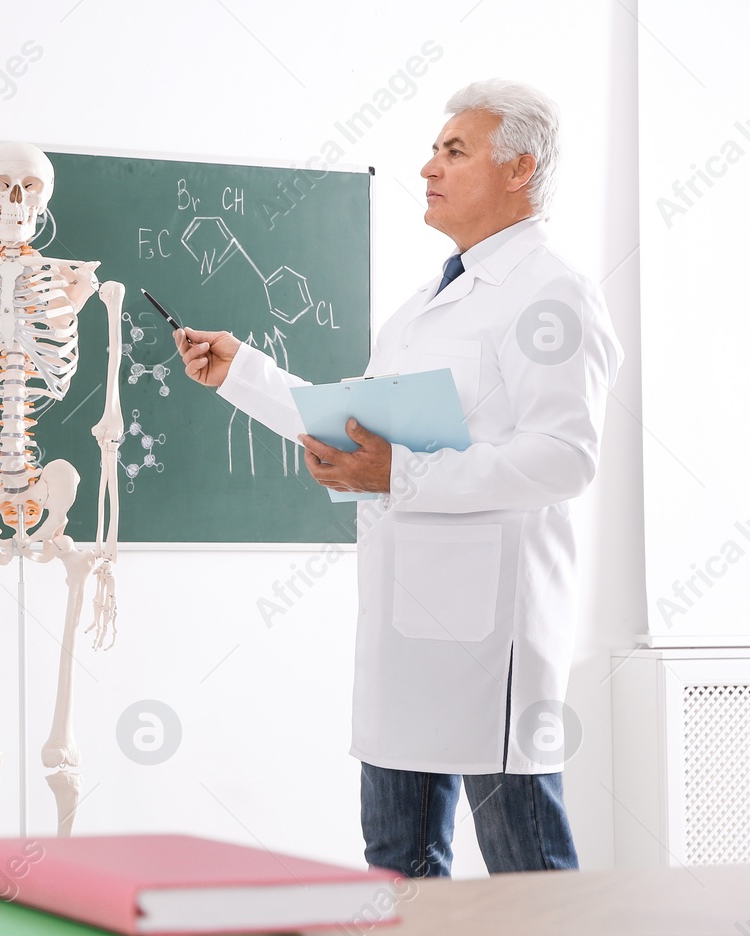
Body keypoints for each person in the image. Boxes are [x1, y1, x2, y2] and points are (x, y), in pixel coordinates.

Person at [178, 80, 623, 879]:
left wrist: (404, 472)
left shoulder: (553, 292)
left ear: (520, 169)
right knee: (397, 869)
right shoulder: (421, 307)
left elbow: (565, 456)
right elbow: (354, 432)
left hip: (492, 644)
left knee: (529, 875)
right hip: (402, 632)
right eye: (433, 149)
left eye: (454, 150)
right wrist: (241, 373)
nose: (428, 166)